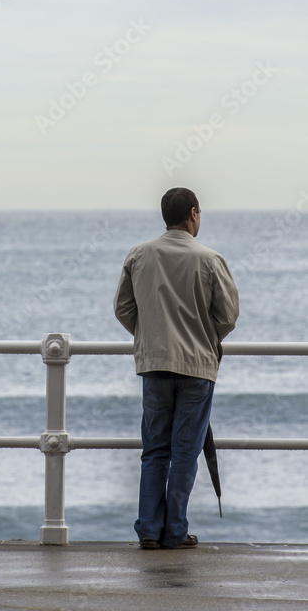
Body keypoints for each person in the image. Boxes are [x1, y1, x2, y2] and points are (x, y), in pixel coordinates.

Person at [113, 187, 239, 550]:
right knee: (186, 451)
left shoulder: (139, 255)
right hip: (197, 367)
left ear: (165, 215)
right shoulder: (210, 258)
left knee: (154, 451)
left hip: (154, 365)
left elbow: (123, 309)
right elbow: (228, 316)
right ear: (194, 213)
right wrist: (202, 337)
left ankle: (149, 530)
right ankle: (175, 531)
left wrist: (151, 335)